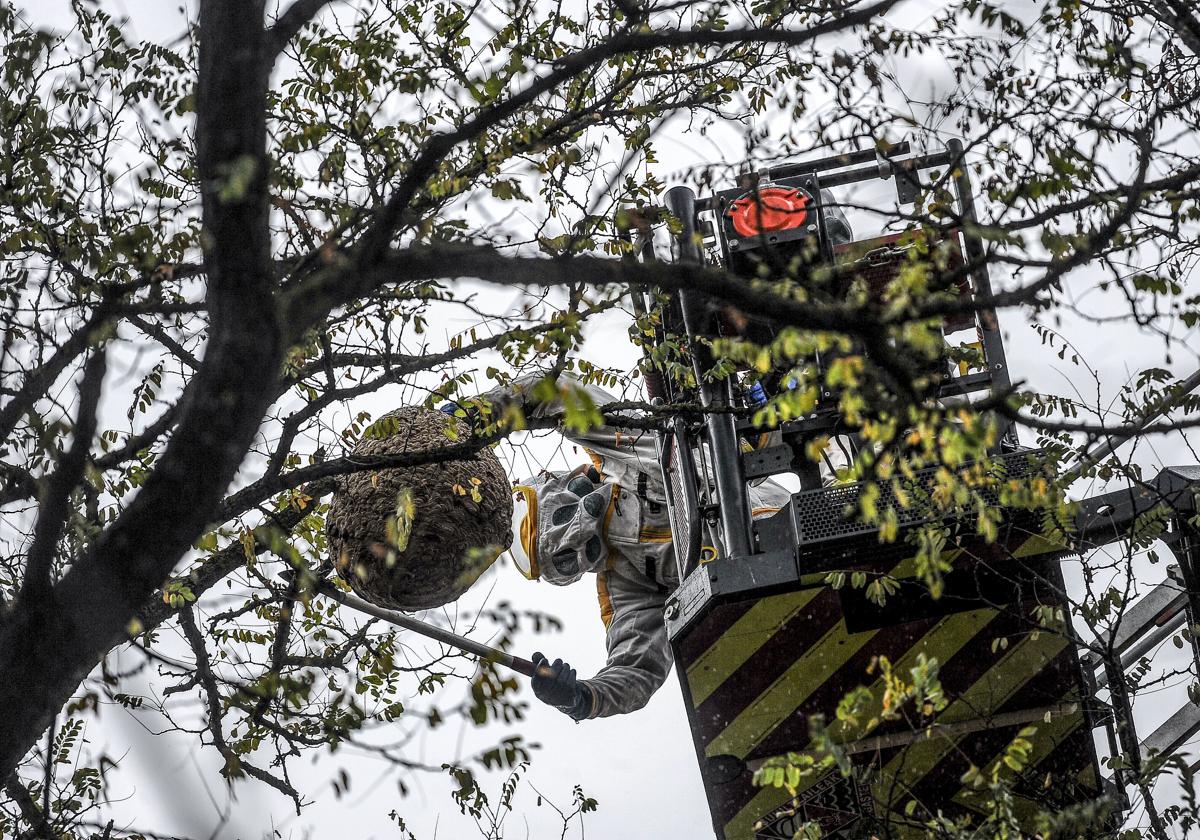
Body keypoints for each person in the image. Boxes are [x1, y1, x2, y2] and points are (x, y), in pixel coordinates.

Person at [452, 372, 789, 720]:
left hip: (791, 521)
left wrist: (472, 416)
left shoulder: (624, 453)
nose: (574, 552)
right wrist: (578, 698)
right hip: (770, 583)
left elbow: (554, 391)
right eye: (565, 561)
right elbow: (635, 670)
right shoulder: (626, 583)